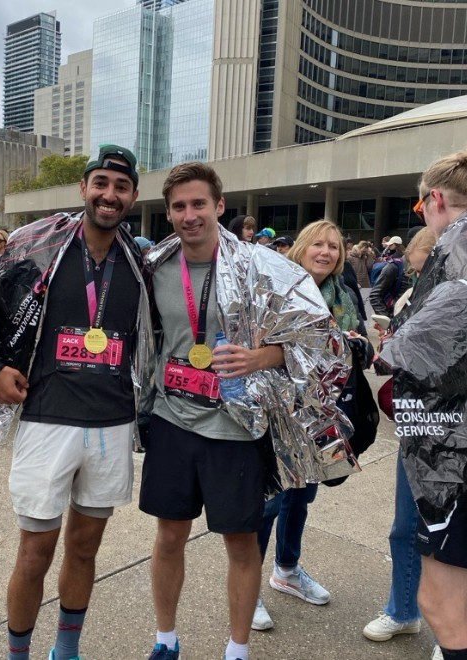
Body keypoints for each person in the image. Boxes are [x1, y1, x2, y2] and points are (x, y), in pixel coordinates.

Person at [140, 166, 353, 660]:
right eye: (179, 207)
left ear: (219, 206)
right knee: (169, 536)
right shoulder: (154, 267)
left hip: (236, 424)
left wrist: (262, 357)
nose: (189, 215)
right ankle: (166, 640)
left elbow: (323, 341)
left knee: (240, 543)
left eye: (199, 204)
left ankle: (237, 650)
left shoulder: (263, 266)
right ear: (168, 213)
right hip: (173, 418)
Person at [0, 144, 153, 660]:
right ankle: (18, 655)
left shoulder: (140, 263)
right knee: (35, 553)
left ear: (133, 196)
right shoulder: (43, 248)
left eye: (121, 187)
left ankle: (66, 650)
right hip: (48, 417)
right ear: (84, 188)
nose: (109, 195)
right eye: (101, 184)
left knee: (85, 549)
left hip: (111, 424)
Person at [251, 219, 372, 632]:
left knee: (302, 496)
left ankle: (287, 569)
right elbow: (261, 342)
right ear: (302, 248)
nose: (326, 252)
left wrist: (357, 345)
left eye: (333, 247)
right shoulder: (277, 288)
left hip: (321, 410)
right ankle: (248, 588)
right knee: (270, 499)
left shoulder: (344, 293)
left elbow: (359, 345)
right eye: (318, 244)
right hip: (277, 407)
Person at [378, 143, 467, 660]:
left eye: (420, 208)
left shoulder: (460, 245)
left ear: (435, 199)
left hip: (457, 450)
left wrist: (380, 350)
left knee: (441, 602)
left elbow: (417, 344)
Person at [363, 227, 439, 654]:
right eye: (420, 267)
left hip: (457, 431)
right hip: (416, 425)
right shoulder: (411, 297)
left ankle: (454, 630)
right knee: (406, 526)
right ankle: (404, 609)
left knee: (452, 536)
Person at [369, 236, 409, 317]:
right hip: (395, 312)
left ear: (395, 244)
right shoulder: (394, 264)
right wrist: (388, 320)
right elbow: (375, 295)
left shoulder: (395, 258)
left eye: (390, 245)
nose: (388, 246)